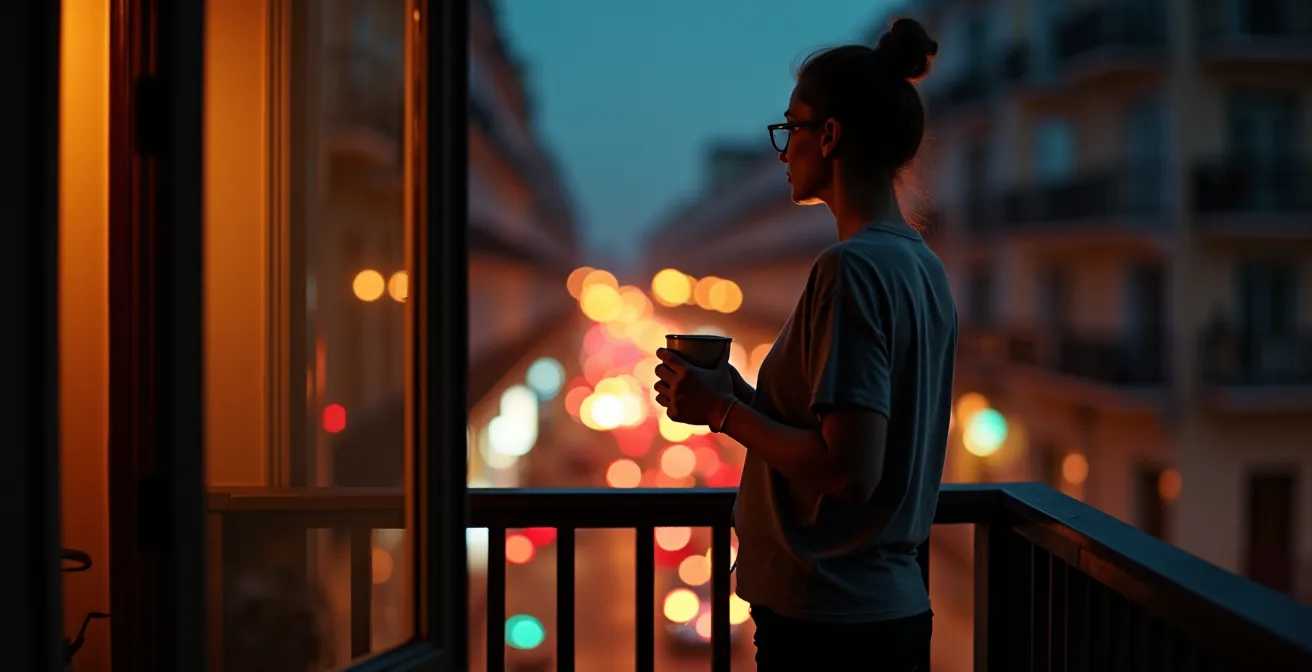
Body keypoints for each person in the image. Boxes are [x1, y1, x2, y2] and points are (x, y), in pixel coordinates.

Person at [653, 17, 956, 671]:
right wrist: (734, 391)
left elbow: (849, 470)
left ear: (830, 135)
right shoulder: (920, 266)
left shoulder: (850, 270)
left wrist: (722, 414)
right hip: (883, 611)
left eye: (790, 128)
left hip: (828, 622)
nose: (784, 148)